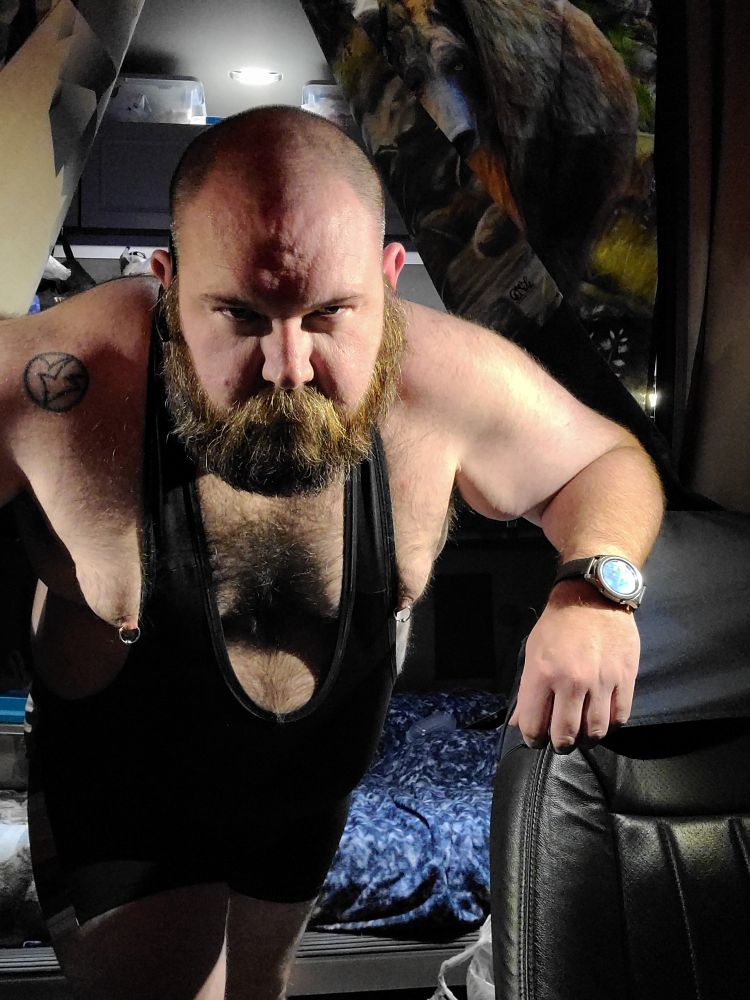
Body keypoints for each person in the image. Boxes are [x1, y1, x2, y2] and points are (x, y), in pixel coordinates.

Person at [0, 106, 664, 999]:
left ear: (388, 279)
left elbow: (604, 460)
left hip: (307, 794)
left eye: (329, 314)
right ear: (168, 280)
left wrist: (594, 590)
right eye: (241, 314)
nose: (289, 365)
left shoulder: (443, 379)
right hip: (128, 799)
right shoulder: (64, 380)